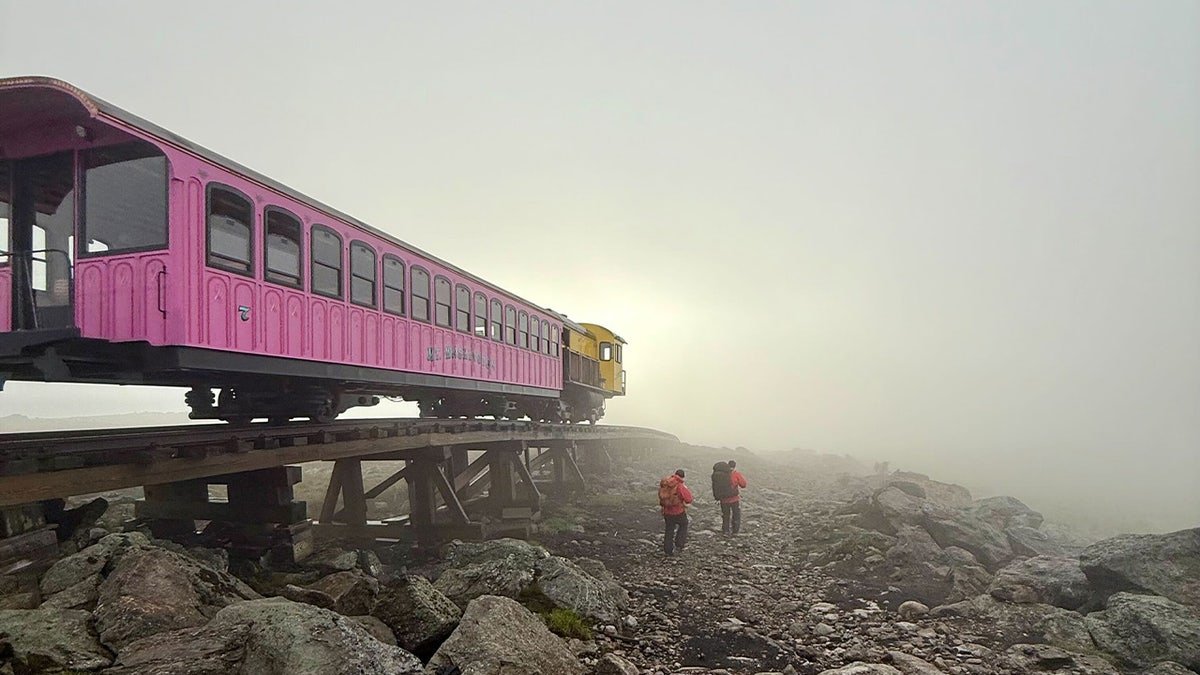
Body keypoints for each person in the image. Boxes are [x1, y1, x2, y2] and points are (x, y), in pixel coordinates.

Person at [658, 468, 693, 555]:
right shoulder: (680, 485)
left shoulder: (665, 483)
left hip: (666, 511)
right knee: (684, 524)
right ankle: (679, 544)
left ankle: (668, 550)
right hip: (678, 511)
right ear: (682, 477)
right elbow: (689, 499)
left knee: (669, 529)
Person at [720, 459, 748, 536]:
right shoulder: (736, 474)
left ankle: (725, 531)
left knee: (725, 515)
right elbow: (743, 484)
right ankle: (735, 531)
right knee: (736, 514)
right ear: (734, 466)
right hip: (734, 499)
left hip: (723, 499)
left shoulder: (722, 474)